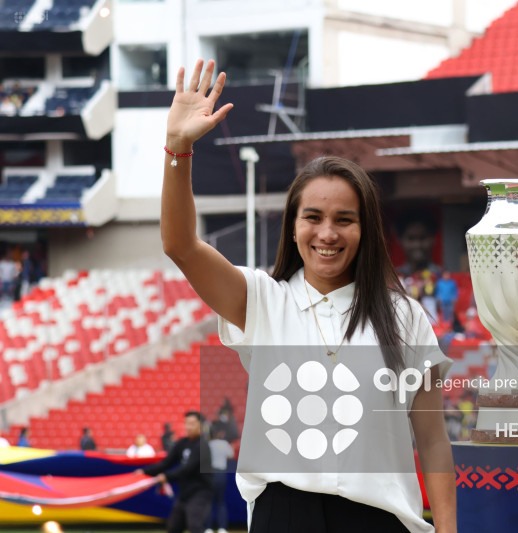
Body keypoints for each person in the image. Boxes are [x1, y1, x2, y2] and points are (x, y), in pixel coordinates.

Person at [160, 59, 456, 533]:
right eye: (313, 217)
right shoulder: (260, 300)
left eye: (345, 219)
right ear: (293, 228)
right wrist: (178, 151)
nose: (327, 233)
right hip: (285, 515)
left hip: (380, 520)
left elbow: (433, 440)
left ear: (366, 230)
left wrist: (447, 530)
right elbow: (180, 245)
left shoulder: (405, 316)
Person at [136, 411, 213, 533]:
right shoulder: (182, 443)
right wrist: (144, 471)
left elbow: (187, 468)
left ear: (200, 425)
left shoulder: (203, 446)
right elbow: (166, 463)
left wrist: (166, 476)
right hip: (184, 494)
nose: (188, 427)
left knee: (195, 526)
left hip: (200, 493)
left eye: (192, 424)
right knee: (173, 527)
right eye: (186, 423)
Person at [395, 208, 442, 277]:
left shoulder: (442, 276)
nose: (417, 245)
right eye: (411, 238)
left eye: (422, 238)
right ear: (400, 240)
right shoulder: (395, 278)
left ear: (433, 239)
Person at [205, 429, 234, 533]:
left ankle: (208, 528)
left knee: (209, 501)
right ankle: (222, 528)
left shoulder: (208, 444)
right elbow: (231, 455)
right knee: (221, 502)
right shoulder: (224, 443)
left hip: (211, 473)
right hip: (221, 473)